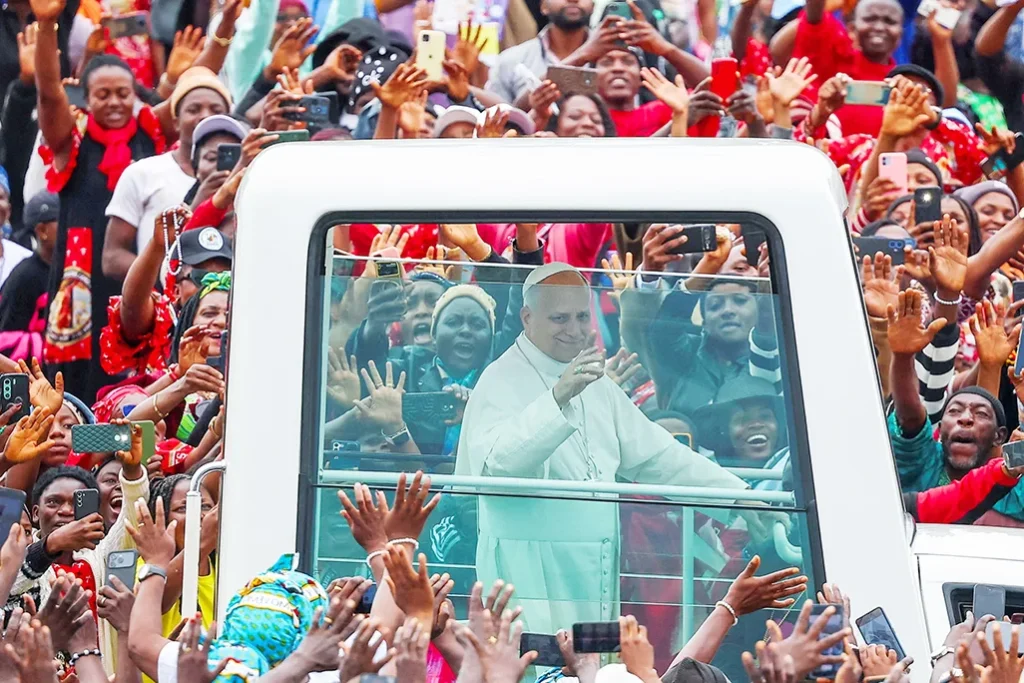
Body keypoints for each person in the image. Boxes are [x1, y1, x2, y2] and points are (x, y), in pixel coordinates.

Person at [455, 261, 787, 634]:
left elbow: (659, 456)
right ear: (527, 318)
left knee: (593, 661)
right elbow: (498, 466)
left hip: (594, 569)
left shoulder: (595, 382)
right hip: (530, 573)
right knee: (536, 660)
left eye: (582, 316)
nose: (574, 330)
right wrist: (558, 397)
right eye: (560, 318)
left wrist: (737, 496)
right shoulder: (500, 379)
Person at [0, 190, 58, 337]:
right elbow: (8, 337)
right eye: (63, 220)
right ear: (42, 230)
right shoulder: (25, 277)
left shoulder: (69, 269)